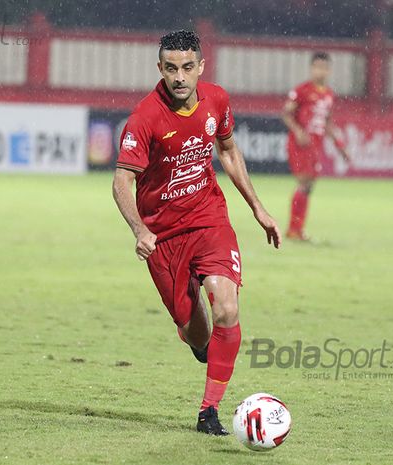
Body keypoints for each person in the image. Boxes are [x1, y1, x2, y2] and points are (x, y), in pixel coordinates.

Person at [111, 30, 281, 435]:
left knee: (227, 306)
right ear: (160, 70)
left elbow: (227, 150)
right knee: (198, 334)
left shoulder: (216, 99)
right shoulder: (145, 118)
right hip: (163, 238)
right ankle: (198, 338)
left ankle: (209, 412)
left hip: (209, 219)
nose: (180, 77)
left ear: (201, 67)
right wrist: (140, 229)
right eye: (171, 68)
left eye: (188, 67)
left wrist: (257, 207)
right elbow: (121, 181)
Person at [282, 51, 350, 241]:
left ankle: (298, 229)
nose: (321, 72)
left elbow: (328, 122)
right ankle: (294, 230)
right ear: (311, 68)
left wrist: (340, 146)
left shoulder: (329, 95)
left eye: (325, 68)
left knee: (309, 185)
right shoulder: (302, 90)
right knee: (304, 182)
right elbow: (286, 113)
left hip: (315, 146)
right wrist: (298, 131)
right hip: (300, 144)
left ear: (329, 71)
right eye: (318, 67)